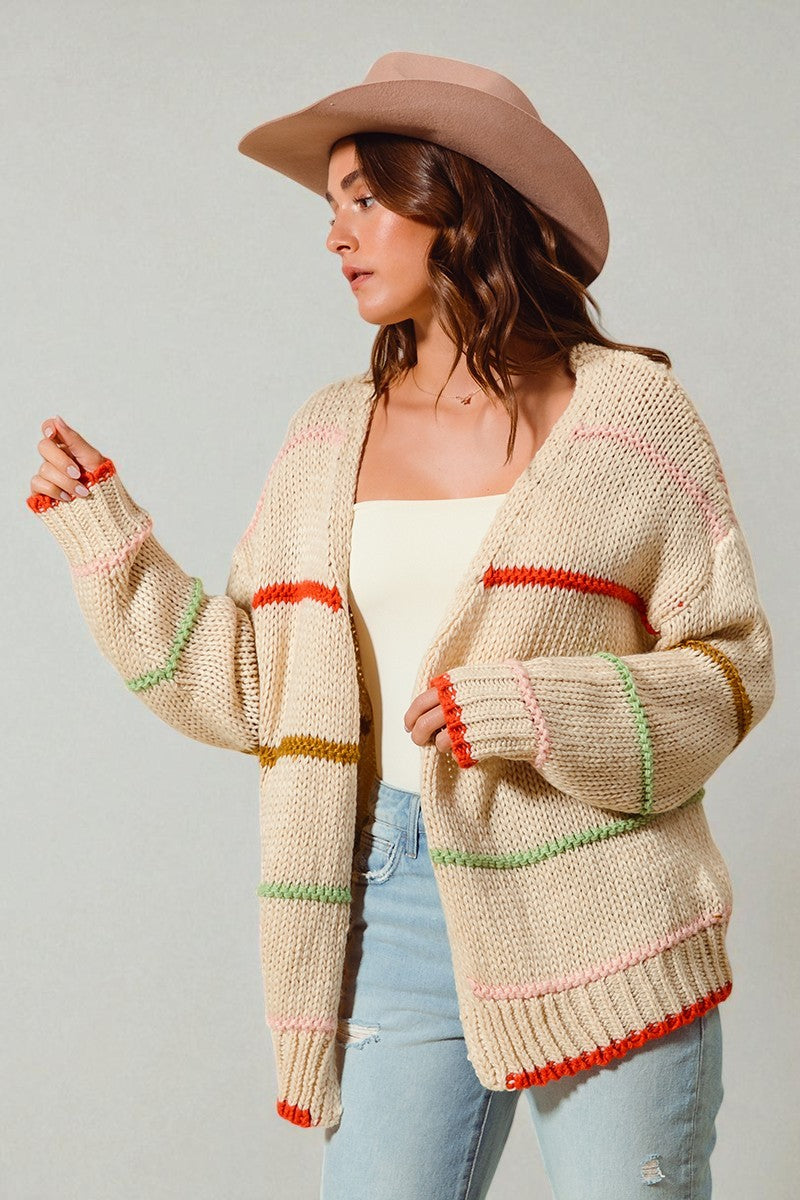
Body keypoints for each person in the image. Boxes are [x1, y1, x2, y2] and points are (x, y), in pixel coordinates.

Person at [27, 52, 775, 1200]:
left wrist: (535, 706)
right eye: (331, 206)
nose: (335, 235)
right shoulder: (328, 435)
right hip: (387, 898)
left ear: (457, 203)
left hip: (604, 903)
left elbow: (727, 674)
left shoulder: (627, 418)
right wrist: (103, 536)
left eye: (364, 200)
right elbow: (250, 689)